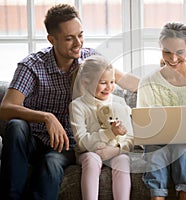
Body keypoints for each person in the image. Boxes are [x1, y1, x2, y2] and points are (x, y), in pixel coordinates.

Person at [0, 4, 138, 200]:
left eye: (80, 35)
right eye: (69, 38)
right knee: (16, 126)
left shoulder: (90, 60)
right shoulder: (32, 65)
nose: (78, 43)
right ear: (52, 40)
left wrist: (168, 83)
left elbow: (127, 82)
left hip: (66, 146)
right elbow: (5, 109)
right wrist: (47, 118)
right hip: (34, 140)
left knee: (51, 163)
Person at [137, 22, 186, 200]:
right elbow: (143, 129)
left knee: (183, 145)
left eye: (179, 52)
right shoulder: (148, 82)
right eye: (167, 52)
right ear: (160, 48)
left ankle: (185, 196)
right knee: (154, 150)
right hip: (158, 144)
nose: (173, 59)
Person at [69, 55, 133, 200]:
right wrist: (110, 133)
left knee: (122, 160)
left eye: (112, 82)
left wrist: (116, 149)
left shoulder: (119, 102)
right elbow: (82, 142)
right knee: (92, 159)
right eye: (103, 83)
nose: (109, 87)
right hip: (89, 152)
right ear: (86, 83)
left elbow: (130, 138)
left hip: (114, 151)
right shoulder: (78, 106)